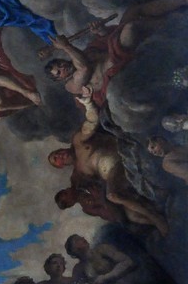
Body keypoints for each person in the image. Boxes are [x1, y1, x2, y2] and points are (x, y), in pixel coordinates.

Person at [45, 0, 188, 106]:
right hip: (119, 64)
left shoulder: (81, 55)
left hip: (117, 49)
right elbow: (84, 69)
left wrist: (100, 30)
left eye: (59, 64)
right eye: (58, 72)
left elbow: (103, 42)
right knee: (130, 28)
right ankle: (179, 21)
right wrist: (65, 46)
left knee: (133, 11)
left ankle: (182, 0)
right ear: (59, 79)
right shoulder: (71, 85)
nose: (62, 68)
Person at [48, 87, 169, 234]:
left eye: (57, 153)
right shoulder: (78, 176)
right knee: (132, 215)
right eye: (56, 160)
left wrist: (88, 103)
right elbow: (99, 201)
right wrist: (97, 199)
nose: (60, 156)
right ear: (61, 166)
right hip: (115, 177)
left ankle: (155, 217)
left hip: (119, 156)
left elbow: (91, 122)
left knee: (112, 195)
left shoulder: (78, 141)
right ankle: (160, 223)